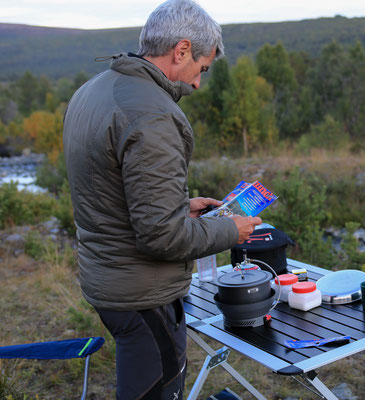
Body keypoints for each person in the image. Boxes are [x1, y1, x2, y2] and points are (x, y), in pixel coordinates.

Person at [62, 1, 262, 398]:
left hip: (107, 280)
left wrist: (178, 206)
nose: (198, 83)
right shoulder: (153, 113)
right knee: (155, 387)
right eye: (201, 68)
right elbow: (162, 237)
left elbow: (106, 189)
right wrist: (229, 229)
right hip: (141, 293)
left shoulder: (94, 90)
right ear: (182, 50)